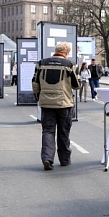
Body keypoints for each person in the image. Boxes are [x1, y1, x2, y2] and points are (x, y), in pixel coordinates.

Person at [32, 42, 80, 170]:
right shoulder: (69, 65)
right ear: (67, 53)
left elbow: (35, 83)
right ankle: (64, 160)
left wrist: (39, 97)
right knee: (64, 132)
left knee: (48, 130)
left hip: (46, 103)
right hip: (64, 103)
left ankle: (47, 158)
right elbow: (76, 85)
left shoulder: (41, 63)